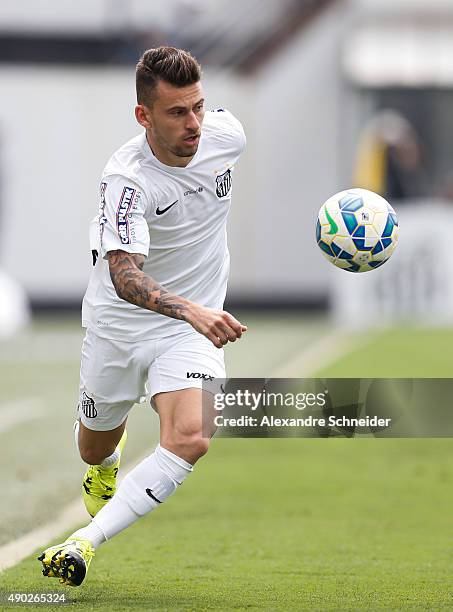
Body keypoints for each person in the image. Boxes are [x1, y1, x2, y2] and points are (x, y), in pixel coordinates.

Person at [38, 46, 247, 587]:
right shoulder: (127, 180)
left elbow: (215, 124)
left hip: (189, 329)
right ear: (143, 116)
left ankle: (82, 543)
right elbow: (124, 276)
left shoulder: (228, 136)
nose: (194, 123)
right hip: (120, 326)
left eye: (199, 106)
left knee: (192, 436)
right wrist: (191, 308)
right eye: (178, 113)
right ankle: (106, 466)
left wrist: (196, 314)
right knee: (93, 446)